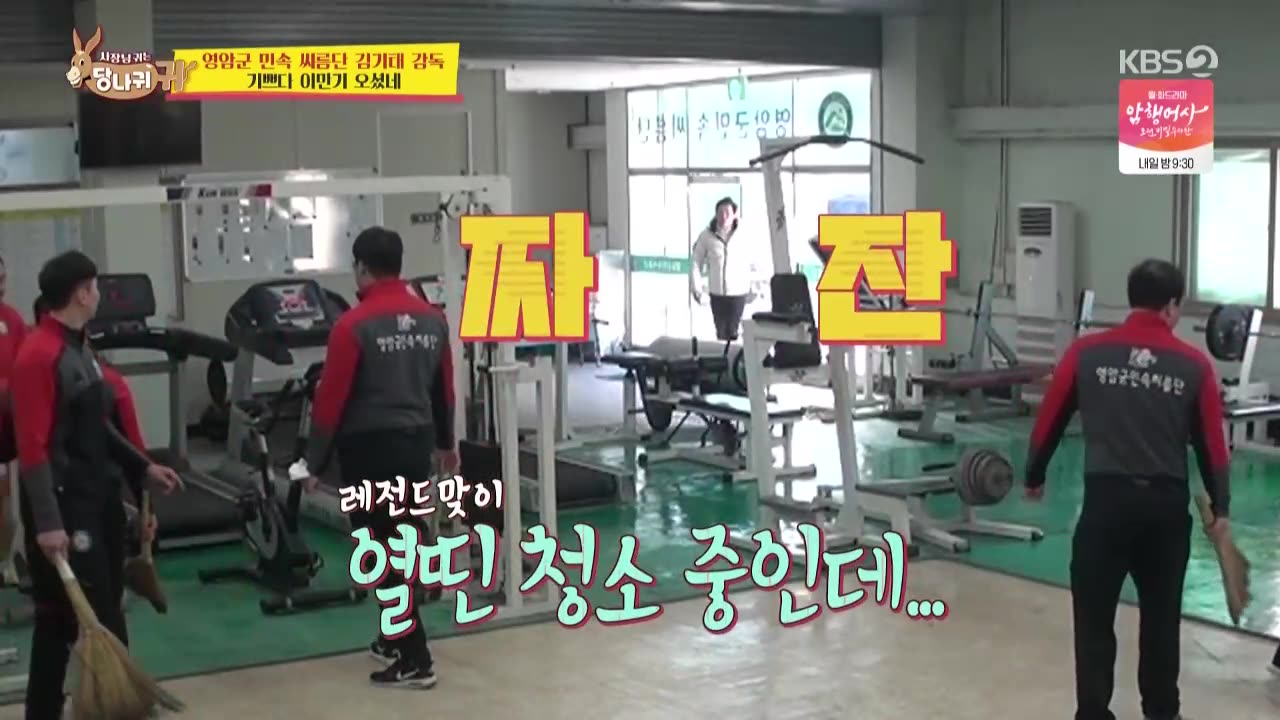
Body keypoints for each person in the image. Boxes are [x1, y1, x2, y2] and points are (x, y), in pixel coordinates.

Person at [1025, 258, 1232, 720]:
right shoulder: (1194, 365)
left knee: (1093, 619)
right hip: (1164, 513)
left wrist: (1034, 474)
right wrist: (1221, 505)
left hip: (1105, 508)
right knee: (1161, 620)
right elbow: (1213, 446)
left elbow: (1049, 416)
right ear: (1172, 306)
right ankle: (1162, 712)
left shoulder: (1085, 353)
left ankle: (1093, 712)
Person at [11, 251, 180, 719]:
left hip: (97, 499)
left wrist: (143, 469)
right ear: (82, 293)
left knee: (91, 614)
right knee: (74, 618)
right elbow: (33, 447)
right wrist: (48, 523)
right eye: (95, 287)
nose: (100, 295)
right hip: (66, 509)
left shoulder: (80, 350)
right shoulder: (38, 356)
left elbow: (99, 427)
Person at [301, 226, 457, 689]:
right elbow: (444, 390)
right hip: (415, 444)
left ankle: (415, 658)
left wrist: (312, 463)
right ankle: (394, 639)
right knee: (400, 540)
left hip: (369, 448)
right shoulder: (432, 319)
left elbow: (330, 401)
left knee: (380, 550)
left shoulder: (353, 325)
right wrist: (446, 445)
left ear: (362, 267)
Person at [32, 295, 158, 547]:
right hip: (64, 497)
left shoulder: (107, 382)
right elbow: (32, 451)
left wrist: (147, 506)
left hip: (97, 492)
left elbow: (129, 442)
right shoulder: (34, 370)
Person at [691, 197, 756, 343]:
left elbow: (755, 261)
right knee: (721, 334)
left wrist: (756, 286)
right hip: (717, 294)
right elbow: (696, 261)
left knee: (734, 333)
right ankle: (723, 355)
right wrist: (696, 288)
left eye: (727, 212)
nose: (724, 216)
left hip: (738, 293)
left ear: (734, 215)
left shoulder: (745, 234)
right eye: (720, 212)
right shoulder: (707, 235)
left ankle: (734, 355)